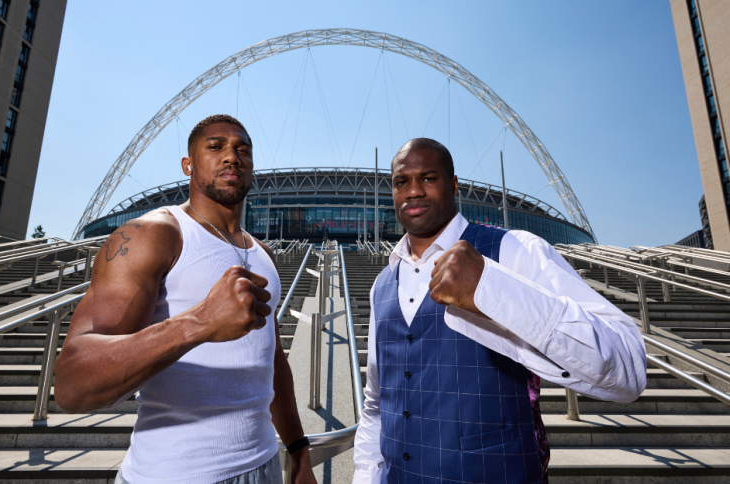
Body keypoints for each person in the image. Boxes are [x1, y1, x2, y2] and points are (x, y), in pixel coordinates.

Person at [352, 138, 647, 484]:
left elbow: (628, 369)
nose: (413, 191)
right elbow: (376, 402)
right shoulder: (381, 285)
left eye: (428, 178)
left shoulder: (513, 250)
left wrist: (492, 289)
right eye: (402, 181)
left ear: (454, 185)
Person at [54, 115, 317, 484]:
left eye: (243, 150)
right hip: (174, 474)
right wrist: (199, 323)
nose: (232, 157)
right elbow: (71, 386)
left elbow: (271, 360)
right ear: (187, 165)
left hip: (264, 466)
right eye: (215, 147)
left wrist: (298, 448)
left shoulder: (263, 254)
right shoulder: (153, 235)